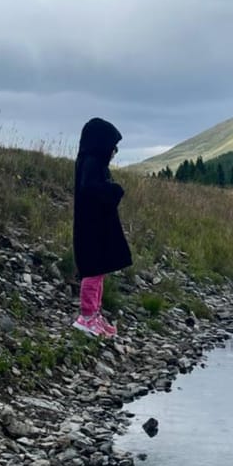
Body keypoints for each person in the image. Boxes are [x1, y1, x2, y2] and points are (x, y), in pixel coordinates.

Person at [72, 117, 133, 338]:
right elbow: (90, 190)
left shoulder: (92, 162)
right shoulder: (91, 162)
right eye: (112, 146)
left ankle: (95, 315)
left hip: (96, 226)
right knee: (92, 270)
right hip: (91, 228)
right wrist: (113, 190)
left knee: (99, 271)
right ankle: (87, 317)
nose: (114, 150)